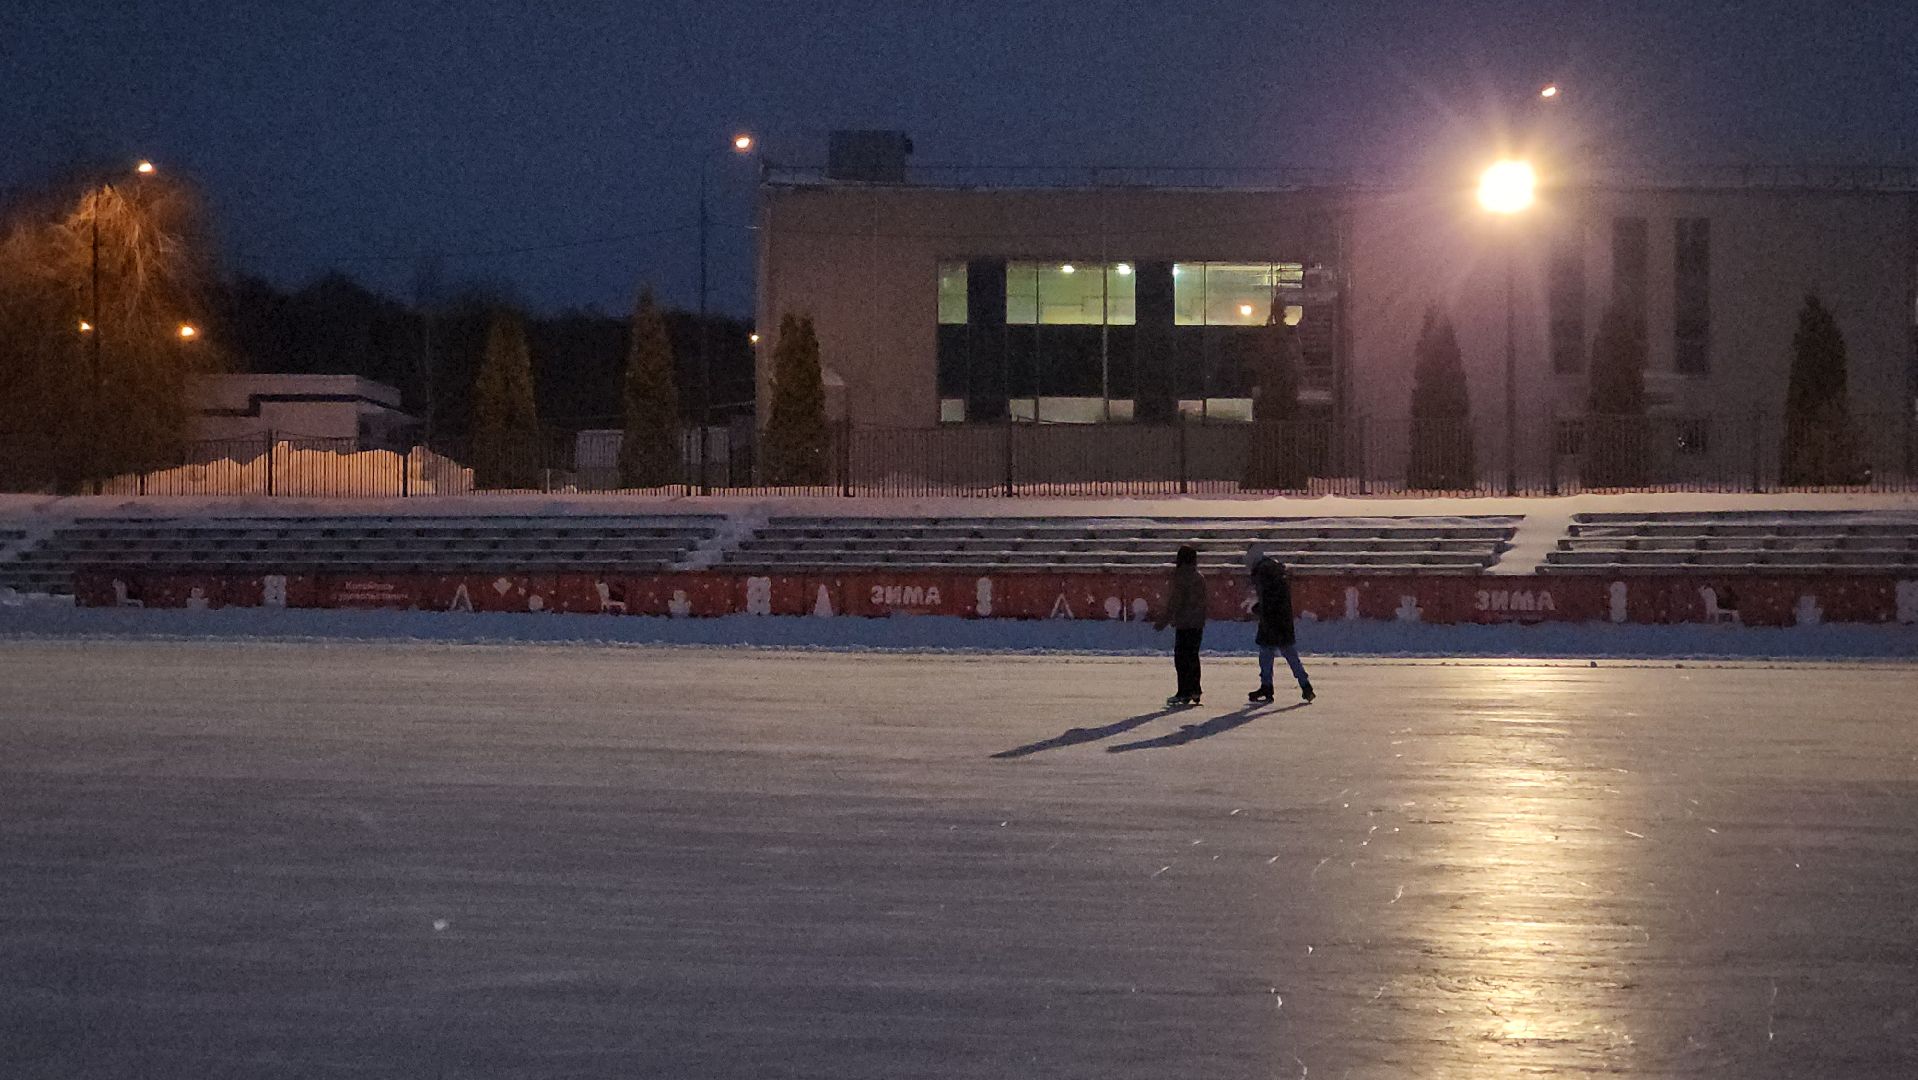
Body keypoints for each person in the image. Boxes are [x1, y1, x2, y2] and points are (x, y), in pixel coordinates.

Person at [1245, 544, 1314, 704]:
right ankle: (1305, 685)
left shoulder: (1263, 573)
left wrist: (1259, 608)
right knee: (1289, 653)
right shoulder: (1275, 571)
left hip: (1271, 621)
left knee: (1266, 653)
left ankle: (1267, 686)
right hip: (1283, 619)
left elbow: (1269, 599)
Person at [1153, 545, 1208, 707]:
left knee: (1182, 658)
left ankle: (1183, 691)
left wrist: (1164, 620)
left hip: (1184, 623)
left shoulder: (1181, 577)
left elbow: (1175, 601)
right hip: (1197, 623)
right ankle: (1195, 689)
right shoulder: (1199, 577)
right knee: (1193, 657)